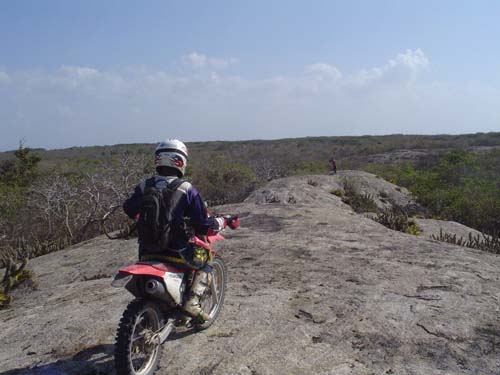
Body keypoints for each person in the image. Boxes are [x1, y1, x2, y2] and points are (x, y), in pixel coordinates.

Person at [123, 139, 225, 322]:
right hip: (177, 252)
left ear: (158, 160)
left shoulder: (144, 186)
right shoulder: (186, 189)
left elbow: (129, 208)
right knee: (206, 260)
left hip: (147, 251)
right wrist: (219, 222)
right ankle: (192, 302)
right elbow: (202, 224)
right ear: (181, 161)